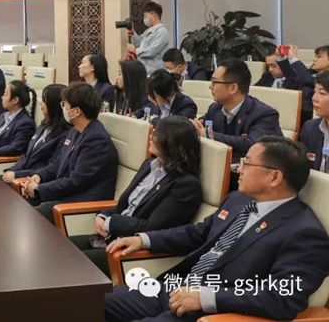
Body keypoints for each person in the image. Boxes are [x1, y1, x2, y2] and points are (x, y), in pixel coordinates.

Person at [104, 137, 329, 322]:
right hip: (175, 289)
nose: (238, 168)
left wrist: (207, 297)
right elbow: (198, 234)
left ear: (274, 177)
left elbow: (282, 297)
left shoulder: (305, 233)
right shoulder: (237, 200)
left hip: (213, 312)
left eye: (247, 164)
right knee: (91, 300)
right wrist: (144, 240)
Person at [70, 116, 202, 278]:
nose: (151, 137)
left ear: (171, 142)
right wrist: (102, 215)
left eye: (157, 134)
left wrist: (111, 222)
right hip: (112, 236)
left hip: (134, 249)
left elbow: (153, 227)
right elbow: (125, 205)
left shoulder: (186, 185)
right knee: (61, 249)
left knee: (71, 262)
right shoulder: (149, 165)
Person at [19, 82, 119, 223]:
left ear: (76, 111)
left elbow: (76, 181)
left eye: (65, 104)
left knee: (32, 215)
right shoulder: (75, 130)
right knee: (20, 203)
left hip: (83, 202)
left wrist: (39, 190)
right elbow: (59, 162)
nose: (63, 108)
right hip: (67, 193)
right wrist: (39, 177)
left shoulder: (96, 140)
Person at [192, 59, 282, 162]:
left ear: (233, 88)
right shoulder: (215, 109)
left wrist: (208, 135)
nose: (210, 87)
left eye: (215, 82)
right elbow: (200, 126)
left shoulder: (264, 114)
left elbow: (252, 144)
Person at [2, 84, 70, 182]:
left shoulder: (65, 133)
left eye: (44, 100)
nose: (41, 103)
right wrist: (12, 170)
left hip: (33, 180)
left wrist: (17, 175)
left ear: (53, 104)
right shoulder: (43, 125)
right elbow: (27, 155)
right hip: (19, 175)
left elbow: (51, 167)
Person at [256, 45, 315, 125]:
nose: (271, 70)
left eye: (274, 65)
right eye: (268, 66)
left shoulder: (297, 79)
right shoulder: (267, 76)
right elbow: (254, 91)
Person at [128, 2, 170, 73]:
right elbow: (138, 43)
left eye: (146, 16)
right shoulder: (148, 31)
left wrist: (134, 50)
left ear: (154, 16)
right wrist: (132, 32)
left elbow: (150, 52)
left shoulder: (162, 32)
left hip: (155, 72)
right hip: (145, 70)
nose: (144, 19)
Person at [300, 70, 329, 171]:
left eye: (322, 93)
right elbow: (302, 167)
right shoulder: (310, 128)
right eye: (314, 92)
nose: (314, 98)